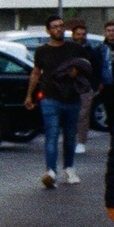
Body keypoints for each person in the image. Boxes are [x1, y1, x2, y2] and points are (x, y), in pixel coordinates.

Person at [26, 15, 91, 188]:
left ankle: (69, 168)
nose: (59, 29)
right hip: (50, 98)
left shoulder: (74, 49)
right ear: (48, 31)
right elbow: (36, 73)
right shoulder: (42, 51)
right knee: (52, 135)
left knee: (70, 136)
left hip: (71, 97)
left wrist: (78, 72)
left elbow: (88, 67)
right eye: (55, 27)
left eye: (61, 26)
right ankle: (50, 172)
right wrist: (29, 95)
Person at [70, 21, 100, 154]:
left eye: (83, 34)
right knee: (69, 115)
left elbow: (97, 70)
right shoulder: (67, 49)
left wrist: (94, 87)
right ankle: (69, 141)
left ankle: (81, 142)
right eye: (78, 34)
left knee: (83, 115)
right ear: (73, 35)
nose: (81, 36)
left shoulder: (91, 51)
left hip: (85, 88)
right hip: (68, 87)